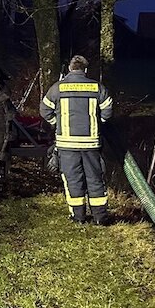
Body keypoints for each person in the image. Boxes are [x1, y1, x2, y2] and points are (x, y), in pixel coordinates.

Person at [40, 55, 113, 224]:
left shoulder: (57, 88)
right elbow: (107, 110)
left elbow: (44, 110)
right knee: (95, 179)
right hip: (91, 144)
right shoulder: (96, 87)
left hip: (67, 146)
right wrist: (98, 122)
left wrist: (55, 123)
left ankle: (78, 217)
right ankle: (100, 218)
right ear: (85, 70)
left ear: (70, 69)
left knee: (73, 179)